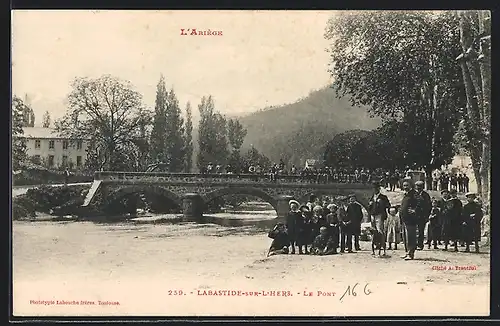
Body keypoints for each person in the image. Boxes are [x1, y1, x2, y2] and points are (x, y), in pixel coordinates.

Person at [400, 179, 419, 260]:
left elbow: (421, 203)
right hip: (404, 218)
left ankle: (411, 254)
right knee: (405, 237)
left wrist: (415, 210)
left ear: (411, 186)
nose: (405, 187)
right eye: (404, 185)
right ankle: (407, 252)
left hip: (411, 219)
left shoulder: (414, 194)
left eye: (407, 185)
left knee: (411, 237)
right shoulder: (405, 195)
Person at [414, 180, 432, 250]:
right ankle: (414, 244)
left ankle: (420, 244)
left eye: (420, 186)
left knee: (421, 230)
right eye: (417, 186)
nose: (418, 188)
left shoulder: (426, 195)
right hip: (414, 215)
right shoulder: (414, 194)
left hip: (422, 216)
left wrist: (426, 215)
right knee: (414, 230)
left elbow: (429, 206)